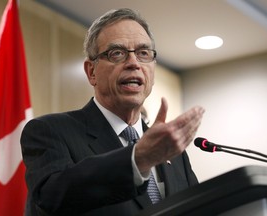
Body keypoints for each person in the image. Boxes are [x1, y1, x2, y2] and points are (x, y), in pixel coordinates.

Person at [20, 8, 205, 216]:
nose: (134, 63)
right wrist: (138, 159)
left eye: (143, 53)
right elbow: (51, 197)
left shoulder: (172, 152)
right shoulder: (50, 131)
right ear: (92, 72)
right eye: (117, 53)